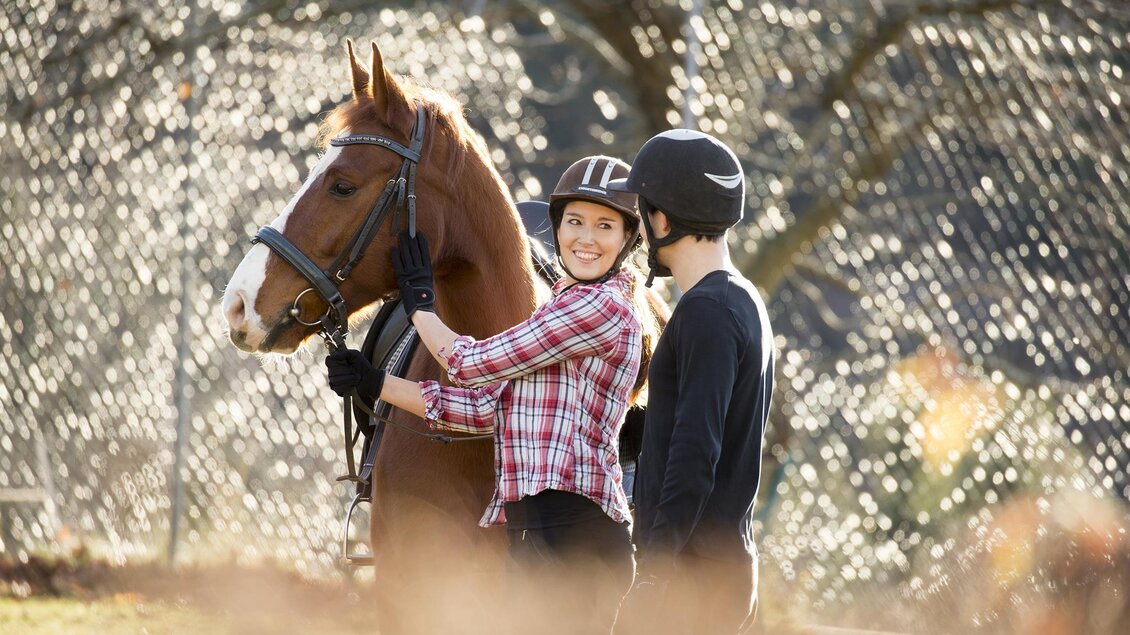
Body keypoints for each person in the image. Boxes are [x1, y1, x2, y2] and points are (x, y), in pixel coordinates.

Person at [326, 155, 661, 634]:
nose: (586, 238)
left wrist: (422, 307)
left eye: (605, 225)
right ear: (558, 227)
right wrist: (377, 384)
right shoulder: (567, 304)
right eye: (575, 222)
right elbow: (488, 410)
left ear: (628, 238)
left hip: (575, 538)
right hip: (534, 534)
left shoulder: (600, 310)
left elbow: (472, 363)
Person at [608, 130, 775, 635]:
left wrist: (654, 574)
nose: (637, 225)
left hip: (689, 578)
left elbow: (696, 451)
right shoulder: (739, 300)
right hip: (714, 569)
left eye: (641, 210)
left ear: (663, 218)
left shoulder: (707, 312)